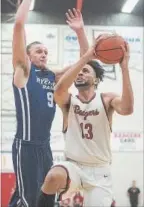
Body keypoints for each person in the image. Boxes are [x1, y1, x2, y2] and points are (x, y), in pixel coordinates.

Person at [9, 0, 88, 206]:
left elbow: (84, 60)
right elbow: (18, 27)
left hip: (45, 146)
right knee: (29, 200)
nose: (44, 54)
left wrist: (80, 32)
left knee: (46, 197)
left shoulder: (53, 77)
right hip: (26, 145)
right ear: (28, 56)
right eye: (38, 51)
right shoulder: (24, 72)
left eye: (46, 51)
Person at [36, 29, 134, 207]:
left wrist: (124, 68)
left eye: (86, 71)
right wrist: (85, 57)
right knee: (52, 177)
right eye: (78, 72)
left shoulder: (106, 99)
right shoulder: (68, 101)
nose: (80, 73)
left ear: (96, 80)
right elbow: (58, 90)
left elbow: (127, 109)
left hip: (100, 171)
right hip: (73, 166)